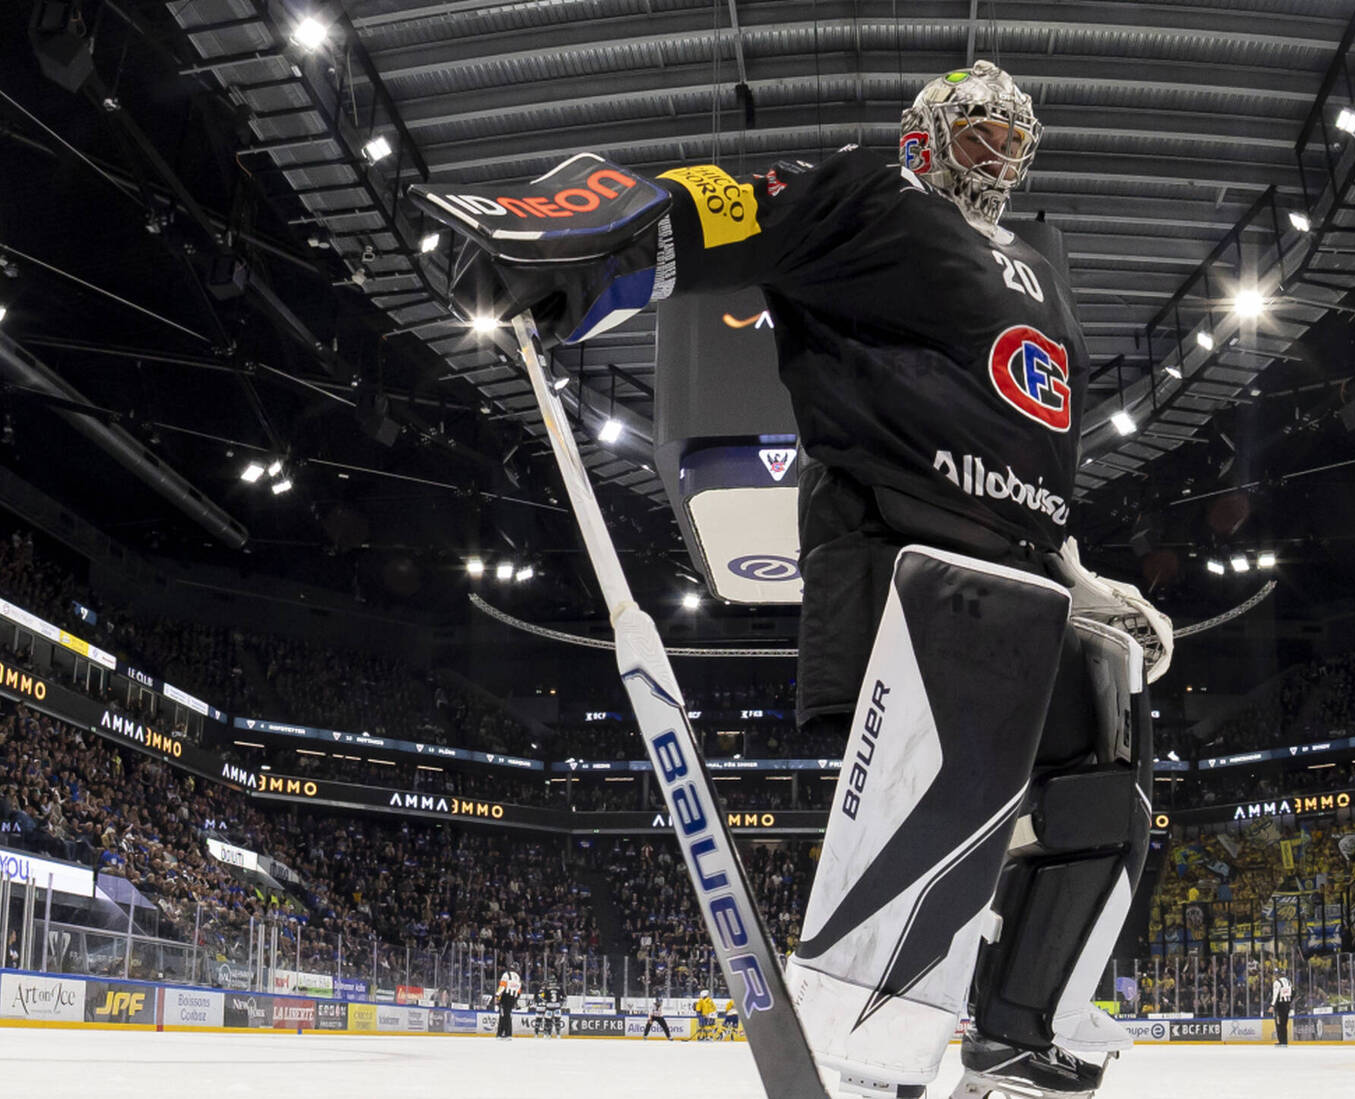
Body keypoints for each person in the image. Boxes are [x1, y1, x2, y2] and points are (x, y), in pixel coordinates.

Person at [417, 60, 1171, 1099]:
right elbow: (718, 210)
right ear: (927, 132)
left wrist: (1077, 574)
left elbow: (1031, 444)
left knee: (1104, 784)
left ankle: (1021, 1025)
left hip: (1024, 574)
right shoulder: (871, 196)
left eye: (1009, 136)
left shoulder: (1041, 268)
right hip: (909, 554)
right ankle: (866, 1061)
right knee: (933, 814)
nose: (994, 153)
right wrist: (565, 246)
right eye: (975, 131)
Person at [495, 970, 521, 1040]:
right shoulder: (517, 977)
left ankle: (502, 1034)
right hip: (512, 998)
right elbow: (518, 991)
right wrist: (515, 1000)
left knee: (503, 1015)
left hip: (505, 997)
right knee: (508, 1015)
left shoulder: (506, 974)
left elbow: (502, 986)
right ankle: (508, 1033)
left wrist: (497, 995)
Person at [1271, 973, 1294, 1047]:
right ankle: (1284, 1041)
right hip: (1287, 1005)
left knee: (1279, 1024)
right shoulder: (1289, 981)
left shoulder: (1277, 983)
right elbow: (1293, 992)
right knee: (1284, 1024)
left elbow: (1275, 994)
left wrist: (1272, 1005)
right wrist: (1289, 1001)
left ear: (1277, 975)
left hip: (1279, 1005)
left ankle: (1281, 1041)